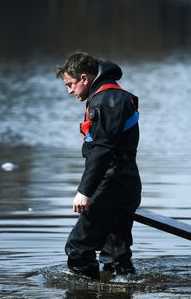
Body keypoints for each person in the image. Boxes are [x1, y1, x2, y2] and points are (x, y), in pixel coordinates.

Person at [56, 51, 142, 280]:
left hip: (111, 186)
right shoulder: (112, 96)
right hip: (125, 184)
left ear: (85, 78)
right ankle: (123, 289)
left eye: (70, 84)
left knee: (78, 248)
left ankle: (81, 293)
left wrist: (84, 191)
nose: (69, 91)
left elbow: (102, 150)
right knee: (116, 255)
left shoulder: (107, 101)